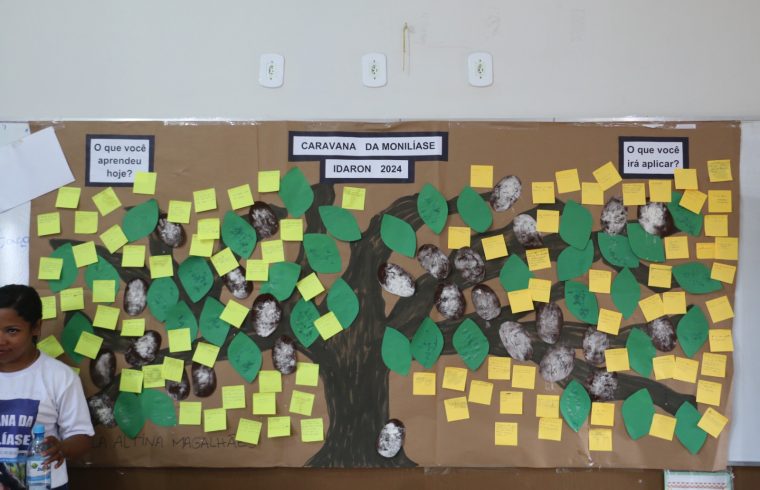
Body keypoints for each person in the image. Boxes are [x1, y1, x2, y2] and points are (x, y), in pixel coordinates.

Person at [0, 284, 94, 490]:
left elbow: (83, 438)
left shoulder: (59, 376)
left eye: (12, 331)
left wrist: (62, 448)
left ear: (36, 327)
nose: (1, 340)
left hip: (43, 484)